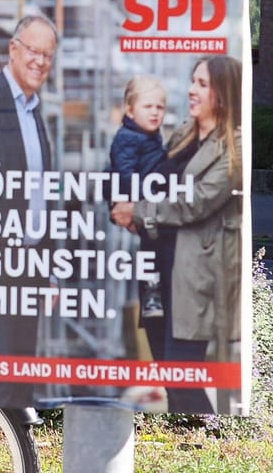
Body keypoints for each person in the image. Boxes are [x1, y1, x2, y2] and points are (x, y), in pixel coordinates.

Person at [113, 55, 245, 414]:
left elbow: (194, 204)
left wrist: (137, 212)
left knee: (181, 374)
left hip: (193, 280)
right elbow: (152, 178)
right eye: (193, 81)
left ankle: (213, 437)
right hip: (157, 270)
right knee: (168, 372)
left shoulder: (234, 147)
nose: (191, 90)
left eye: (202, 84)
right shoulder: (184, 131)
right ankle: (195, 432)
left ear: (223, 92)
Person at [0, 14, 59, 409]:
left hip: (33, 260)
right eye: (33, 51)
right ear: (14, 49)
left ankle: (21, 449)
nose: (40, 61)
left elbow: (45, 193)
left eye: (48, 55)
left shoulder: (37, 112)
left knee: (23, 366)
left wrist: (51, 268)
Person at [105, 75, 176, 347]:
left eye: (160, 107)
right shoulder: (128, 138)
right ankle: (152, 298)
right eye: (148, 107)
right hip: (139, 203)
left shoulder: (149, 136)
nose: (155, 112)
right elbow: (123, 173)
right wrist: (129, 203)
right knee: (150, 253)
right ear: (130, 110)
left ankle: (152, 298)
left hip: (148, 204)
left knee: (151, 253)